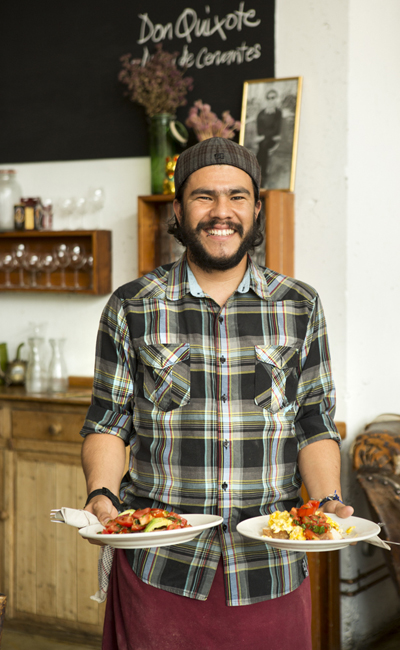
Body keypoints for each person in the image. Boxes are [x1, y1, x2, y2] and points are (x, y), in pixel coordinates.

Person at [81, 137, 353, 650]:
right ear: (178, 209)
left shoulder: (300, 305)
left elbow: (313, 421)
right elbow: (109, 421)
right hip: (160, 563)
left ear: (257, 209)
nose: (221, 212)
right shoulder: (132, 305)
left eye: (237, 197)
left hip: (269, 564)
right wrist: (102, 494)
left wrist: (327, 501)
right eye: (204, 196)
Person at [255, 88, 282, 186]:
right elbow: (259, 131)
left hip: (271, 140)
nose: (271, 100)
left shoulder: (278, 113)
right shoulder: (261, 114)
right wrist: (265, 136)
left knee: (263, 146)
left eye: (273, 98)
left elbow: (276, 129)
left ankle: (257, 172)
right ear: (266, 100)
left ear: (276, 99)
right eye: (268, 98)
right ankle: (263, 175)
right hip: (264, 140)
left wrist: (264, 136)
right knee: (263, 147)